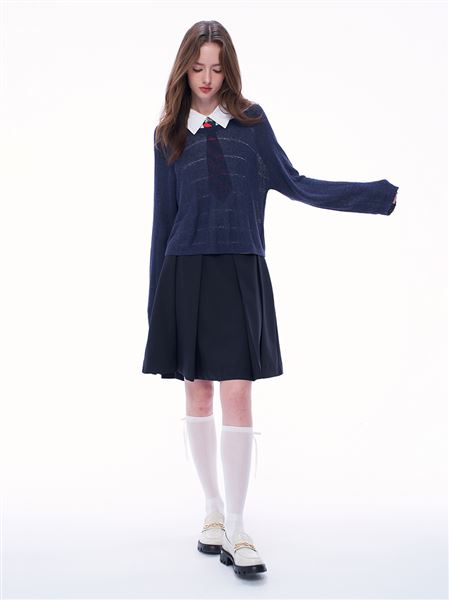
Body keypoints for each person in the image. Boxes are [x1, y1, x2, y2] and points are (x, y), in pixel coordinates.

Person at [141, 20, 399, 577]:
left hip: (240, 268)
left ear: (228, 69)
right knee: (198, 391)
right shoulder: (167, 135)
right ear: (183, 69)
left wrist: (374, 197)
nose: (207, 78)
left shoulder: (251, 125)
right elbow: (162, 222)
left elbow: (296, 182)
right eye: (197, 67)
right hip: (185, 271)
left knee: (237, 392)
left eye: (217, 67)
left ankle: (238, 526)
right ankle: (211, 512)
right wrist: (154, 307)